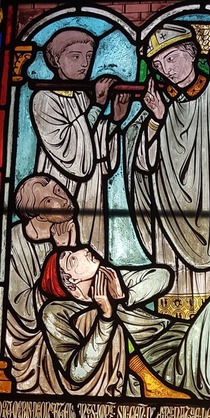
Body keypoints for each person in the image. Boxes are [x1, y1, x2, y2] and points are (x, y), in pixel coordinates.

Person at [38, 245, 210, 401]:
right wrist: (106, 316)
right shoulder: (58, 313)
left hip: (191, 345)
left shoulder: (113, 279)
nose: (83, 249)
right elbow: (77, 372)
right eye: (72, 258)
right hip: (175, 367)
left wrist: (124, 295)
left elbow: (161, 277)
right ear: (71, 283)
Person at [128, 22, 210, 318]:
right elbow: (144, 164)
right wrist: (158, 118)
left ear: (192, 52)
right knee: (174, 309)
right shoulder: (160, 102)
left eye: (171, 58)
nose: (167, 70)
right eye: (159, 65)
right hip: (169, 215)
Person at [30, 28, 130, 255]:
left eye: (88, 56)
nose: (84, 64)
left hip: (89, 187)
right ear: (56, 60)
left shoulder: (81, 95)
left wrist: (114, 121)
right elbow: (68, 145)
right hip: (58, 185)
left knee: (88, 244)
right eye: (75, 56)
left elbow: (92, 141)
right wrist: (97, 105)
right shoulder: (44, 98)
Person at [6, 175, 77, 393]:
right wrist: (62, 253)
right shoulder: (12, 242)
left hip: (61, 323)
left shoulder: (68, 230)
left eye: (59, 189)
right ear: (38, 214)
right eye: (49, 200)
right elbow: (24, 308)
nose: (63, 199)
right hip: (27, 338)